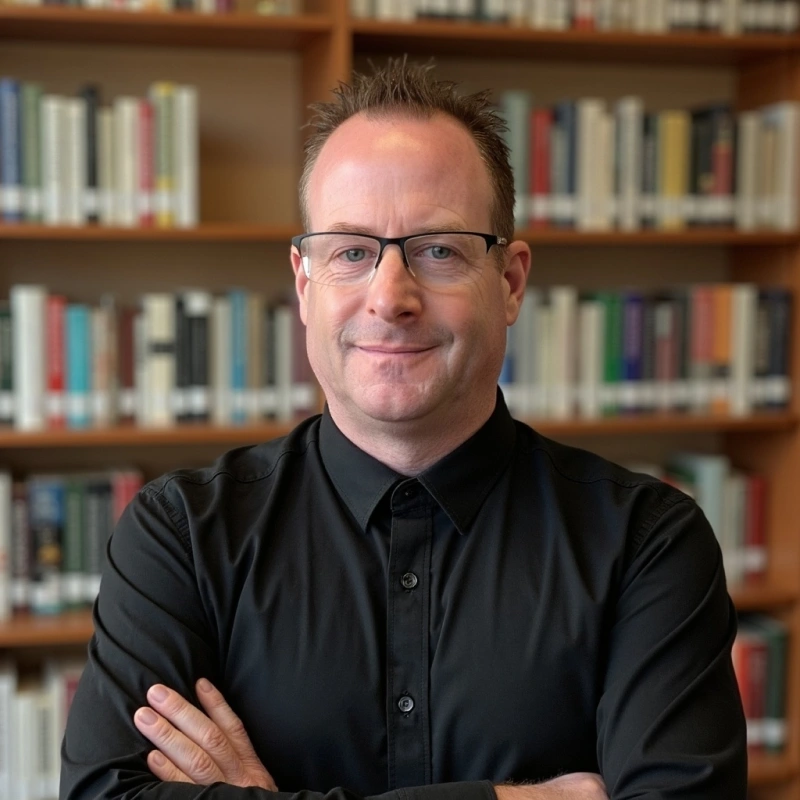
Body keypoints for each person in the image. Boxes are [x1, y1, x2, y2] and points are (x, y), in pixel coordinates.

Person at [60, 59, 747, 800]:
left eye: (438, 250)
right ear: (304, 283)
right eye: (352, 252)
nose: (390, 298)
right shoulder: (182, 536)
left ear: (511, 283)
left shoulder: (647, 544)